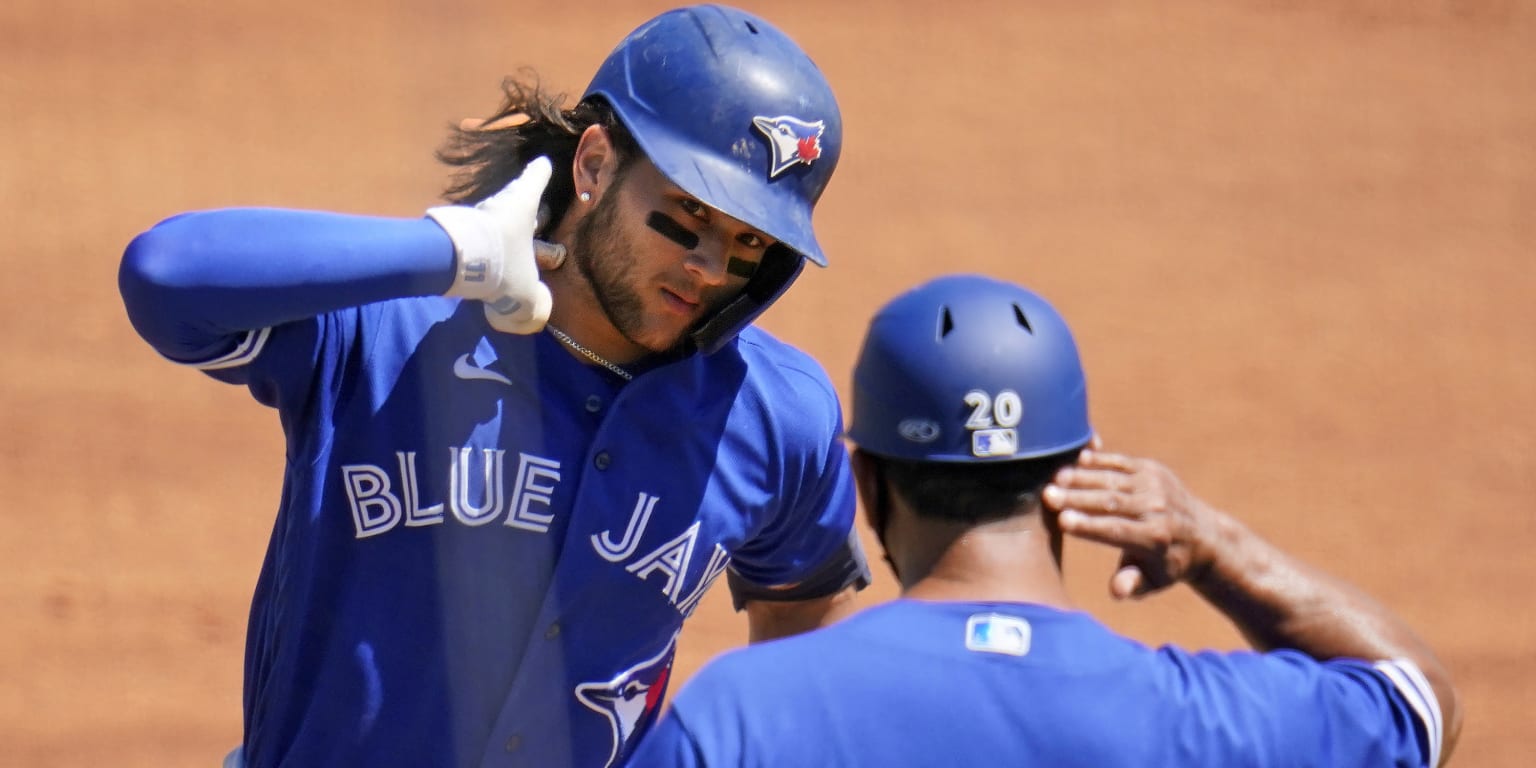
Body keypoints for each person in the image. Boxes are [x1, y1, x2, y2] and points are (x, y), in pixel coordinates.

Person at [117, 5, 871, 767]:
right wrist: (449, 250)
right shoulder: (391, 329)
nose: (710, 266)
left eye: (749, 242)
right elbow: (163, 278)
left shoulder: (775, 417)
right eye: (688, 213)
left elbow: (812, 605)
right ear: (596, 165)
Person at [628, 273, 1461, 767]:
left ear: (865, 484)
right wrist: (1211, 543)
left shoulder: (741, 717)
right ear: (1084, 471)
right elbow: (1418, 700)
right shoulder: (1204, 719)